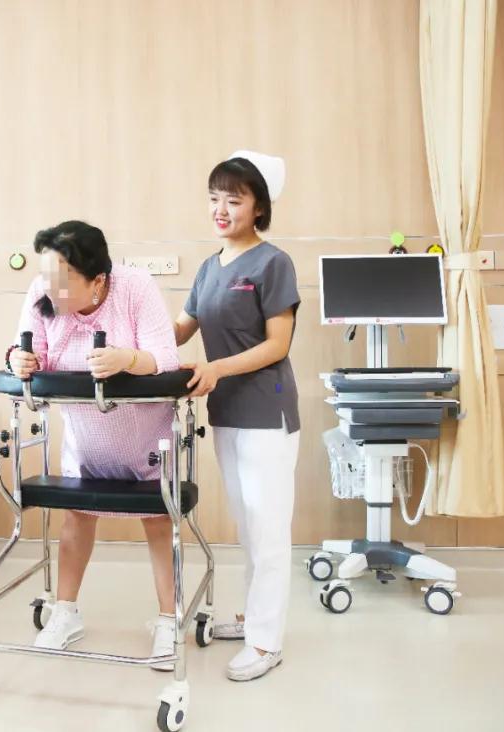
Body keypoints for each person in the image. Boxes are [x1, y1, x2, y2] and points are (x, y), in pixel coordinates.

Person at [7, 220, 180, 668]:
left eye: (63, 279)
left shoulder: (135, 287)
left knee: (158, 519)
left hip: (146, 435)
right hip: (86, 435)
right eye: (46, 276)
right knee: (77, 516)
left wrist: (127, 359)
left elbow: (166, 357)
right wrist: (20, 360)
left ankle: (169, 619)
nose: (50, 289)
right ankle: (65, 613)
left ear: (98, 280)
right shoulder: (43, 293)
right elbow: (31, 353)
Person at [173, 150, 301, 681]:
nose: (220, 210)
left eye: (234, 200)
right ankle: (254, 617)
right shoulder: (209, 267)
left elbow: (277, 344)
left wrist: (217, 367)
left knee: (268, 529)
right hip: (226, 412)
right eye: (214, 198)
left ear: (258, 207)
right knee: (248, 525)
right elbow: (178, 330)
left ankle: (267, 643)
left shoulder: (273, 263)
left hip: (267, 412)